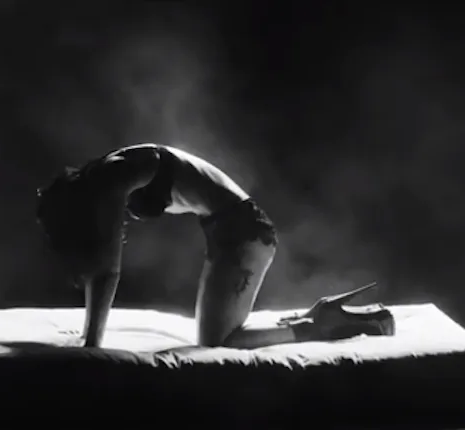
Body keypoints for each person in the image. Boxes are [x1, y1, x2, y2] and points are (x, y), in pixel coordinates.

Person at [36, 143, 394, 348]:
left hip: (243, 232)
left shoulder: (112, 177)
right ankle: (318, 318)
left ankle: (322, 326)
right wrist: (88, 335)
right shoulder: (108, 174)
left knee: (220, 343)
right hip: (232, 231)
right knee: (216, 337)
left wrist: (90, 344)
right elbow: (101, 261)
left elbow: (107, 271)